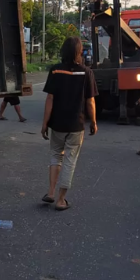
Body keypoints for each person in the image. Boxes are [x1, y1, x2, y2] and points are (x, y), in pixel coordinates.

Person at [41, 37, 98, 211]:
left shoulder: (56, 70)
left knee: (55, 155)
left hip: (57, 124)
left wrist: (45, 124)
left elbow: (50, 98)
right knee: (70, 160)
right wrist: (93, 122)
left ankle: (50, 192)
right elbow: (90, 102)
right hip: (76, 124)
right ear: (79, 52)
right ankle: (60, 200)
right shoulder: (86, 72)